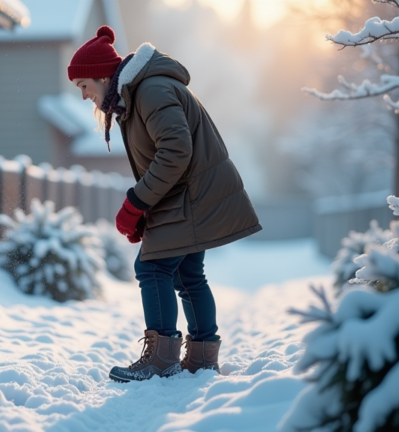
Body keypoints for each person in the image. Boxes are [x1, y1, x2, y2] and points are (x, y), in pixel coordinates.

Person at [67, 26, 261, 382]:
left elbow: (175, 152)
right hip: (189, 194)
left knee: (152, 267)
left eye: (83, 86)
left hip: (192, 195)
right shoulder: (137, 94)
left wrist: (137, 202)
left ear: (102, 76)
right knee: (188, 274)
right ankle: (202, 356)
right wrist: (145, 207)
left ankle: (161, 359)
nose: (83, 96)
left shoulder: (151, 91)